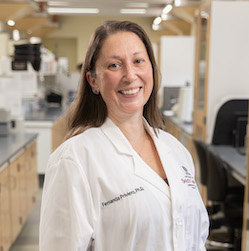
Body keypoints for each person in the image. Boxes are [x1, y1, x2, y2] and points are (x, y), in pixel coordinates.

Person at [39, 20, 209, 251]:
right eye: (114, 65)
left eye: (138, 61)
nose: (130, 75)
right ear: (93, 80)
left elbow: (196, 239)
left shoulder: (176, 150)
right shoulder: (74, 160)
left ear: (151, 70)